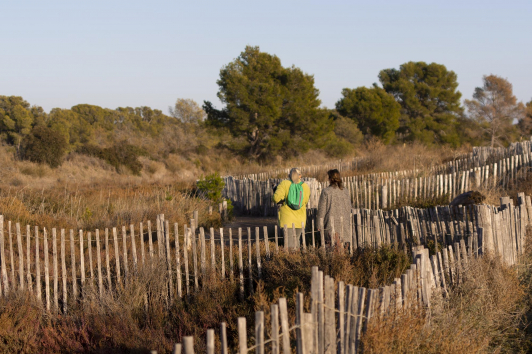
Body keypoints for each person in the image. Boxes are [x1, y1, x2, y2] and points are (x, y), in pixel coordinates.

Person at [273, 168, 311, 249]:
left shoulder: (284, 184)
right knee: (296, 242)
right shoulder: (305, 186)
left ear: (289, 175)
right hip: (300, 220)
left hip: (287, 220)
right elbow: (306, 200)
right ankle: (297, 259)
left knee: (289, 246)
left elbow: (276, 198)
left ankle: (291, 260)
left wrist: (283, 200)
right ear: (300, 176)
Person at [317, 169, 352, 245]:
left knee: (331, 246)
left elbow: (321, 209)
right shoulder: (345, 191)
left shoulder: (326, 191)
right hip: (344, 224)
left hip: (330, 224)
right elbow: (349, 208)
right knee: (344, 247)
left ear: (330, 179)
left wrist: (319, 224)